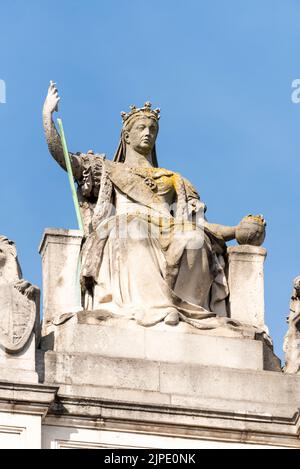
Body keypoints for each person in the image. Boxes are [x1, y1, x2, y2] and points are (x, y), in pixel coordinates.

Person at [43, 81, 246, 329]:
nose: (147, 132)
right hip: (126, 226)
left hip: (169, 227)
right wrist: (47, 116)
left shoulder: (174, 179)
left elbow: (201, 224)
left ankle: (186, 308)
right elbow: (64, 157)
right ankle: (156, 309)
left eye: (152, 128)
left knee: (194, 238)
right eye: (141, 127)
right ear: (126, 136)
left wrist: (238, 231)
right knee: (134, 230)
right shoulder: (107, 169)